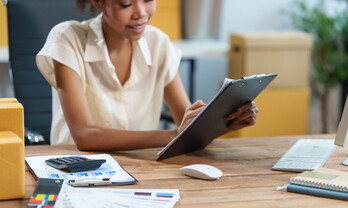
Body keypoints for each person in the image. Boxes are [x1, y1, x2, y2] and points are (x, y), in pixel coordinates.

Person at [36, 0, 259, 151]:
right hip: (74, 169)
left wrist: (224, 123)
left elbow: (187, 126)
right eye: (126, 3)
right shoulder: (68, 39)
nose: (141, 13)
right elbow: (85, 135)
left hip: (142, 169)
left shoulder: (158, 43)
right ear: (98, 1)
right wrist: (172, 136)